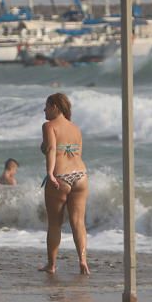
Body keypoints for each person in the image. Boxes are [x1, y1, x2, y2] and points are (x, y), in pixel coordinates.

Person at [40, 94, 90, 275]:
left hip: (60, 176)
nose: (44, 110)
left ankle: (51, 265)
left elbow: (53, 149)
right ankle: (83, 260)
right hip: (81, 175)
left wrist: (50, 173)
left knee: (55, 224)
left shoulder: (48, 126)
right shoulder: (75, 128)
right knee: (78, 222)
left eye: (46, 106)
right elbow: (77, 152)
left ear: (55, 107)